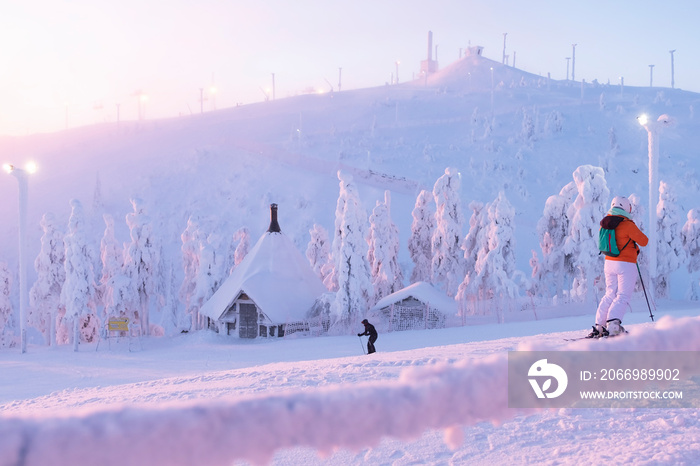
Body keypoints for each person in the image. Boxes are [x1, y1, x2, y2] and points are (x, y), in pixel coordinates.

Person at [588, 196, 648, 338]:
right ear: (626, 207)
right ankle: (614, 325)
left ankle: (600, 326)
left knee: (610, 293)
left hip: (609, 263)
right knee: (623, 295)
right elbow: (644, 241)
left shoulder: (605, 223)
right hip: (626, 264)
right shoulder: (627, 224)